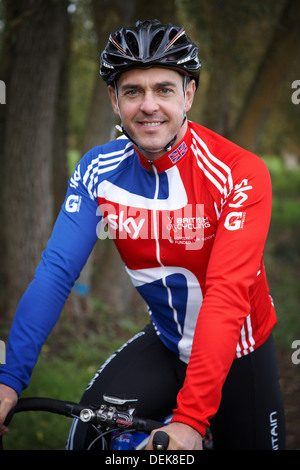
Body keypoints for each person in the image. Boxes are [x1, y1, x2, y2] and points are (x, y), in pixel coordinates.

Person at [0, 19, 285, 450]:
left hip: (240, 354)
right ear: (115, 101)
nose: (148, 105)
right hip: (167, 343)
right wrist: (8, 380)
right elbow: (56, 273)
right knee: (88, 438)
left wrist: (190, 420)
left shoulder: (239, 173)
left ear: (188, 95)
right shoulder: (97, 170)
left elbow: (226, 294)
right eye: (133, 91)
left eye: (164, 89)